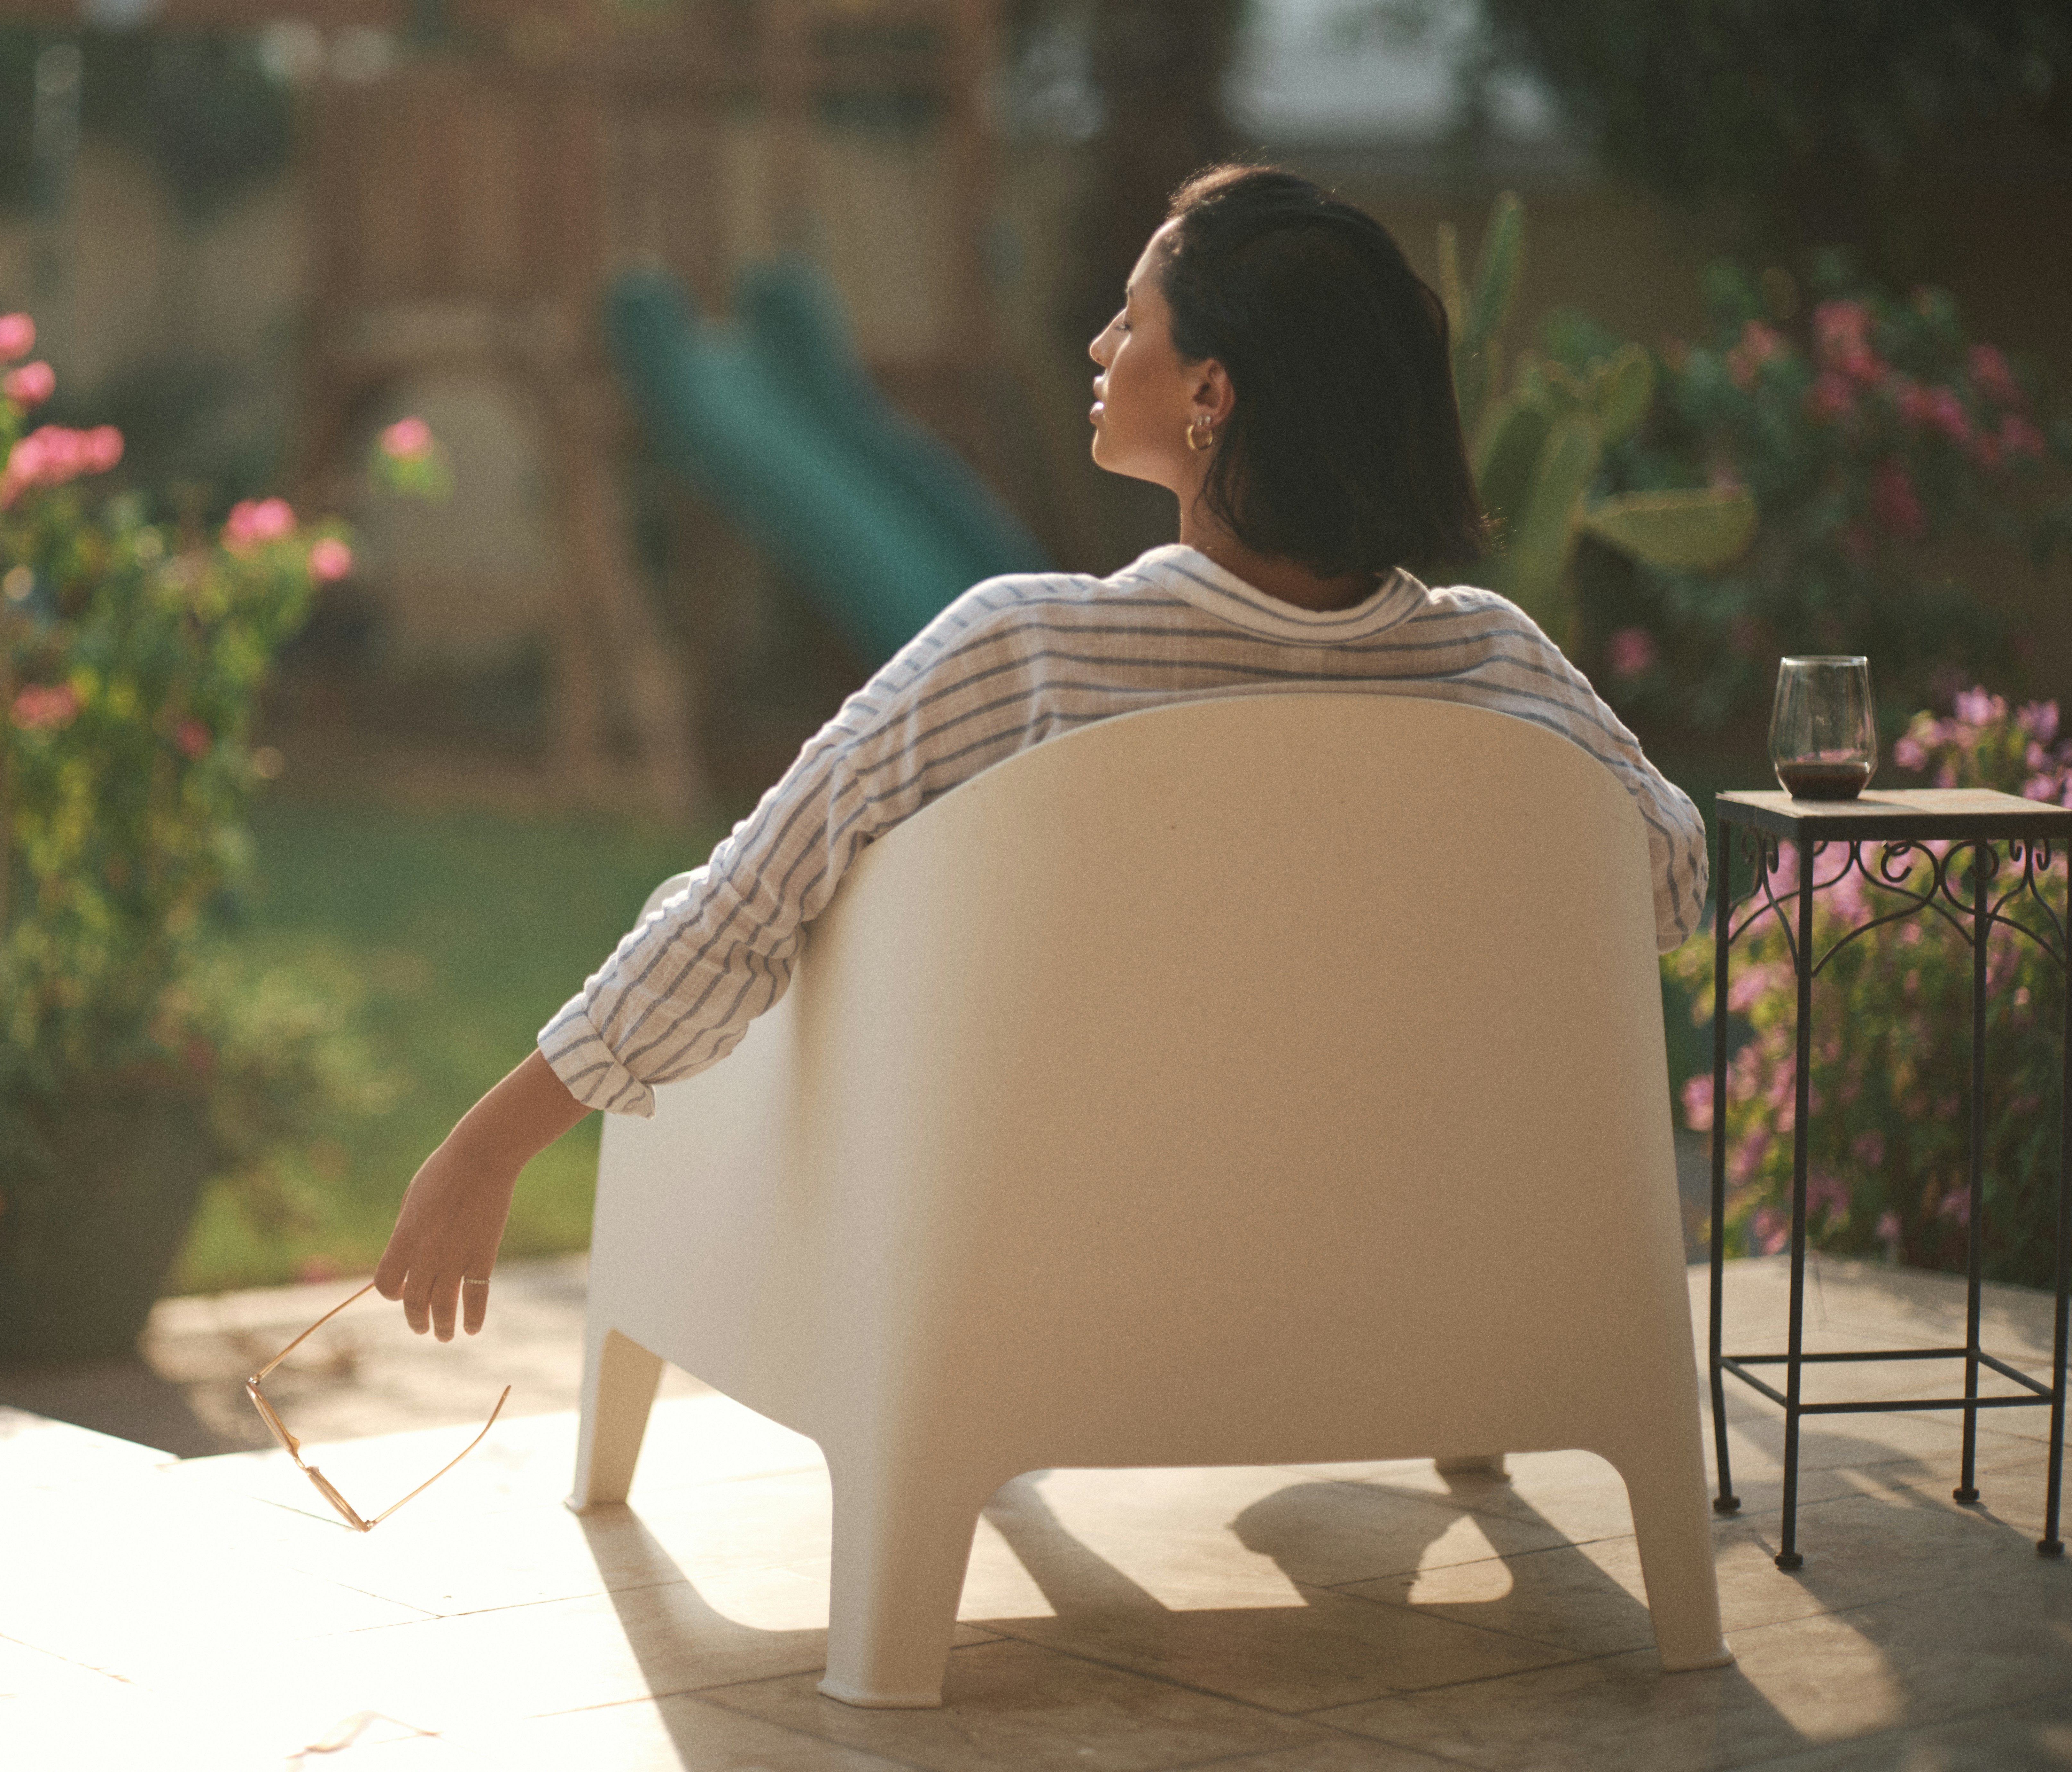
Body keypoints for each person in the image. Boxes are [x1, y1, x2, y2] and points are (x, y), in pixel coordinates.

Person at [371, 163, 1708, 1343]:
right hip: (1418, 1274)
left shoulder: (1029, 657)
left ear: (1211, 395)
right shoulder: (1497, 666)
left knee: (725, 914)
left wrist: (486, 1152)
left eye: (1133, 318)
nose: (1098, 338)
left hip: (1061, 1292)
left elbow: (742, 913)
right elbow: (1667, 888)